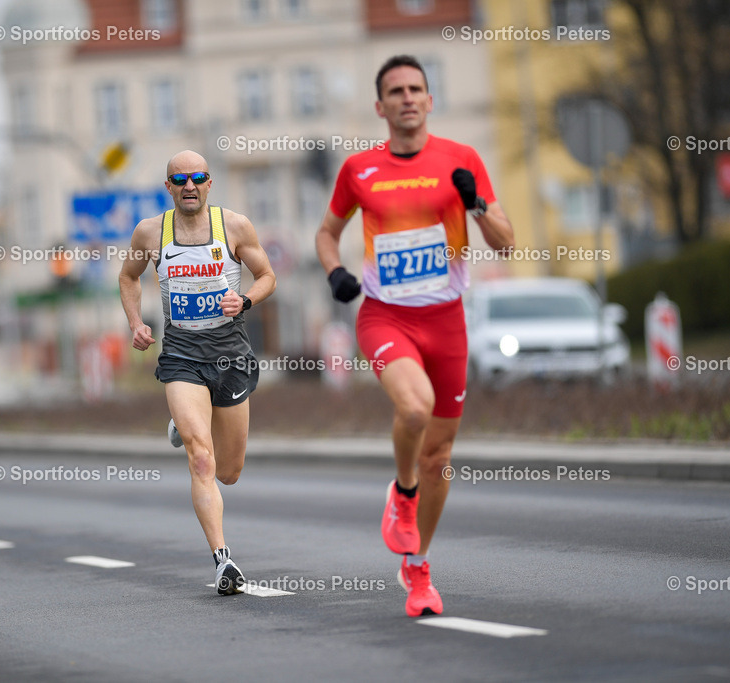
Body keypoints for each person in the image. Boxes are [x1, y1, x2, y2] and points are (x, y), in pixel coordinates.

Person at [315, 55, 515, 617]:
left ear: (430, 100)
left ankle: (419, 566)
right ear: (380, 107)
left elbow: (505, 242)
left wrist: (476, 204)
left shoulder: (462, 159)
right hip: (386, 317)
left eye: (415, 89)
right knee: (415, 408)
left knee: (440, 456)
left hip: (447, 321)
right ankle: (403, 494)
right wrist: (334, 271)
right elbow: (327, 232)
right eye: (396, 91)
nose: (407, 98)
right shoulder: (359, 169)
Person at [119, 150, 276, 595]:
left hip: (230, 355)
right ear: (168, 187)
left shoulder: (235, 227)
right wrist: (136, 323)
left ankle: (186, 424)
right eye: (179, 179)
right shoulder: (150, 232)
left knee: (228, 471)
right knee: (201, 458)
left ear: (209, 183)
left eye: (197, 177)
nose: (189, 185)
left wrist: (245, 300)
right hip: (182, 356)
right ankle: (223, 561)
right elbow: (128, 277)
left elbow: (267, 275)